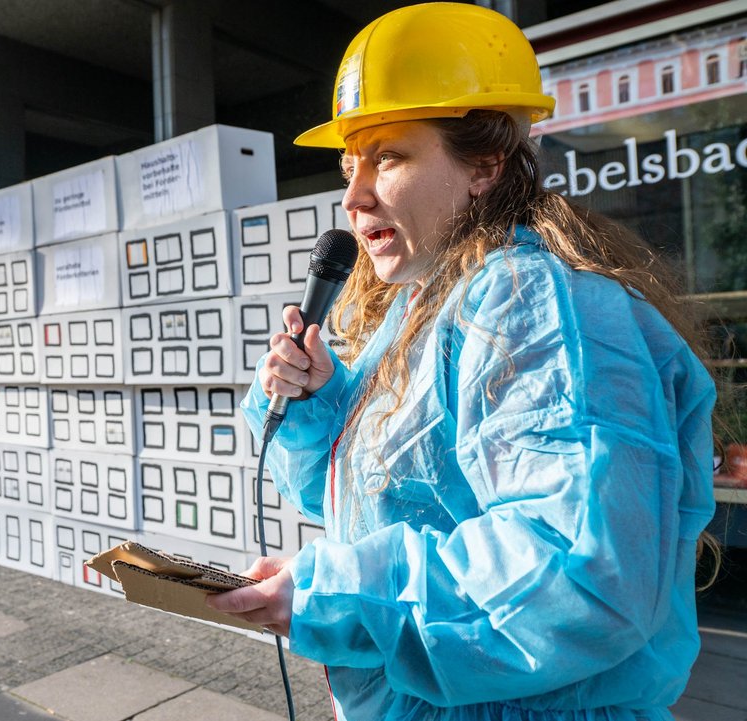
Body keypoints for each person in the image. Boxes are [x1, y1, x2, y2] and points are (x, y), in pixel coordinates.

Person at [209, 4, 718, 720]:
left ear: (485, 164)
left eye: (388, 157)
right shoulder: (428, 306)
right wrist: (322, 404)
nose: (353, 197)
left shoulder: (535, 306)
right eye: (350, 165)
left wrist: (342, 593)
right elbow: (367, 506)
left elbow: (580, 570)